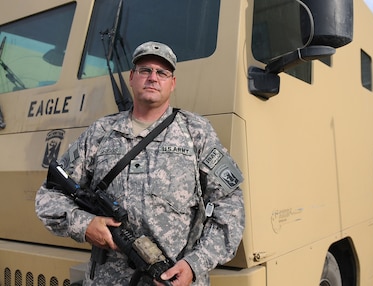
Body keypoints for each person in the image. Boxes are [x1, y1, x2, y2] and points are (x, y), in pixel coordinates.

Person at [35, 41, 245, 286]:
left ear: (172, 83)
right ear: (132, 78)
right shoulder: (101, 132)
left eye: (162, 73)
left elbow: (230, 205)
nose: (153, 78)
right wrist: (85, 224)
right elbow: (49, 196)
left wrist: (194, 265)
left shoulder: (195, 131)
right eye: (145, 70)